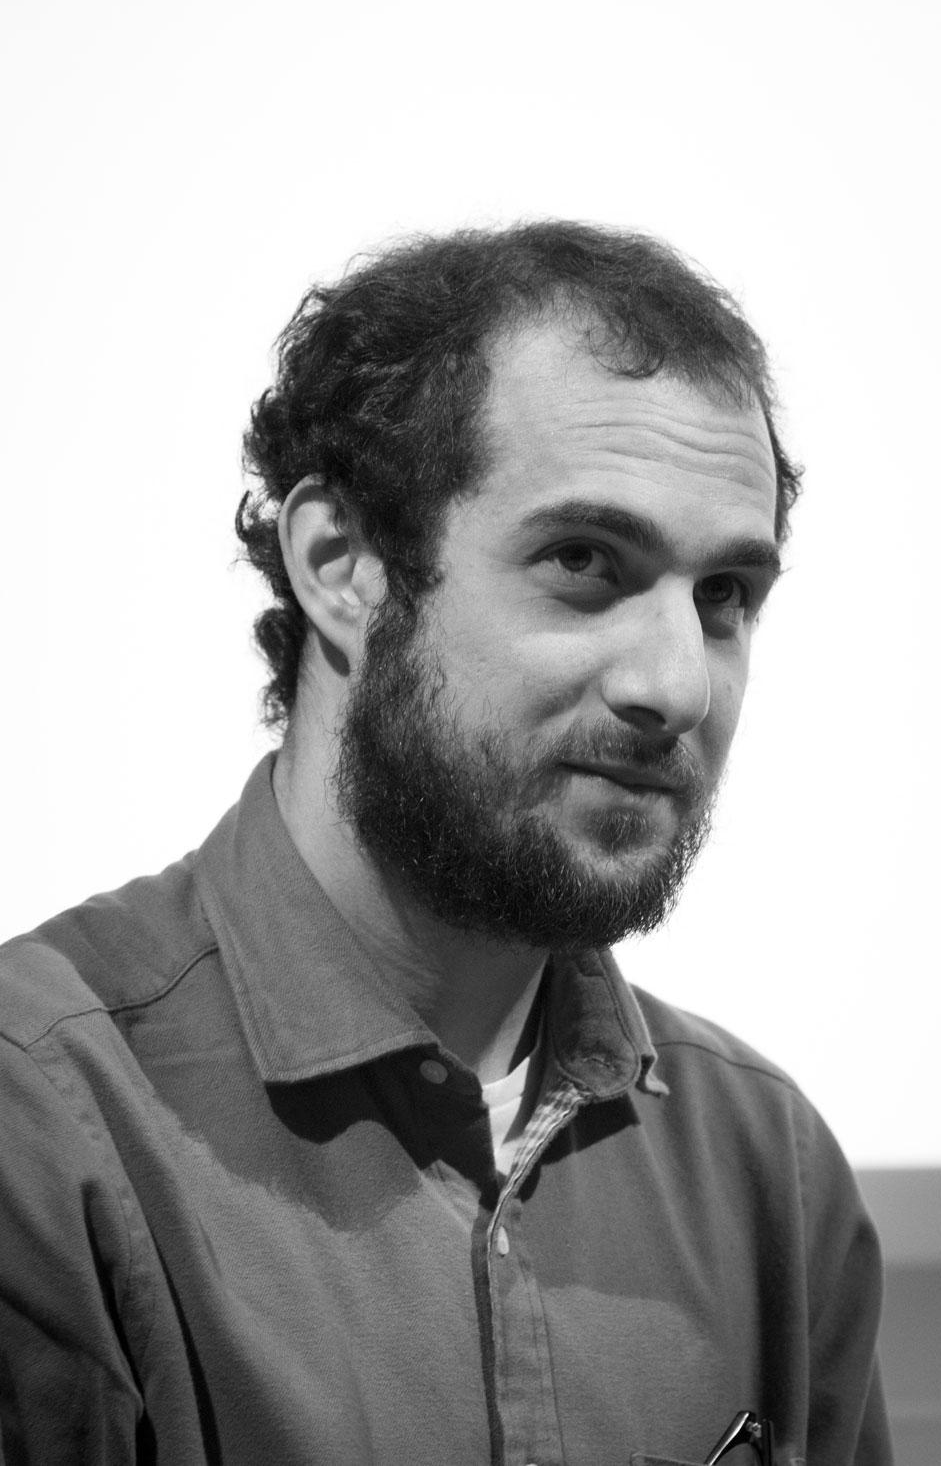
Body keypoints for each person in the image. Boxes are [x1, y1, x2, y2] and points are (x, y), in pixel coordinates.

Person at [0, 222, 893, 1466]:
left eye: (725, 597)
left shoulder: (770, 1169)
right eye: (583, 561)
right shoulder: (43, 1120)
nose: (677, 684)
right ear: (340, 565)